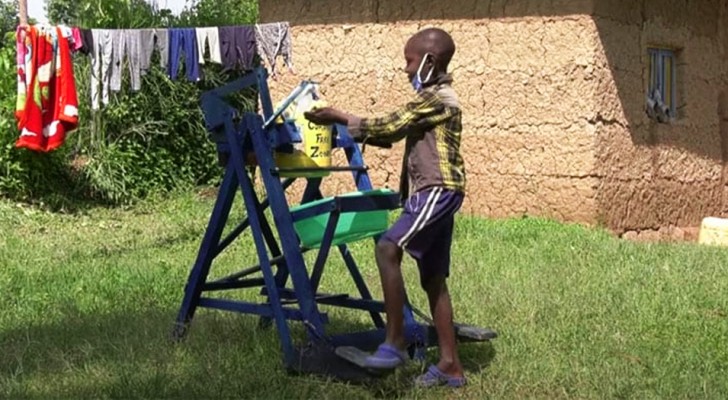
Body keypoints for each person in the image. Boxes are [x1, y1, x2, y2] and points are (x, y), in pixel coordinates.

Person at [304, 27, 467, 388]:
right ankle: (450, 365)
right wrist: (352, 127)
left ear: (429, 61)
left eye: (409, 61)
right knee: (432, 277)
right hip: (437, 192)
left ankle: (394, 342)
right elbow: (394, 134)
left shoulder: (436, 98)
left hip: (436, 192)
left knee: (387, 247)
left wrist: (338, 116)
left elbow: (391, 125)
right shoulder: (434, 99)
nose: (406, 69)